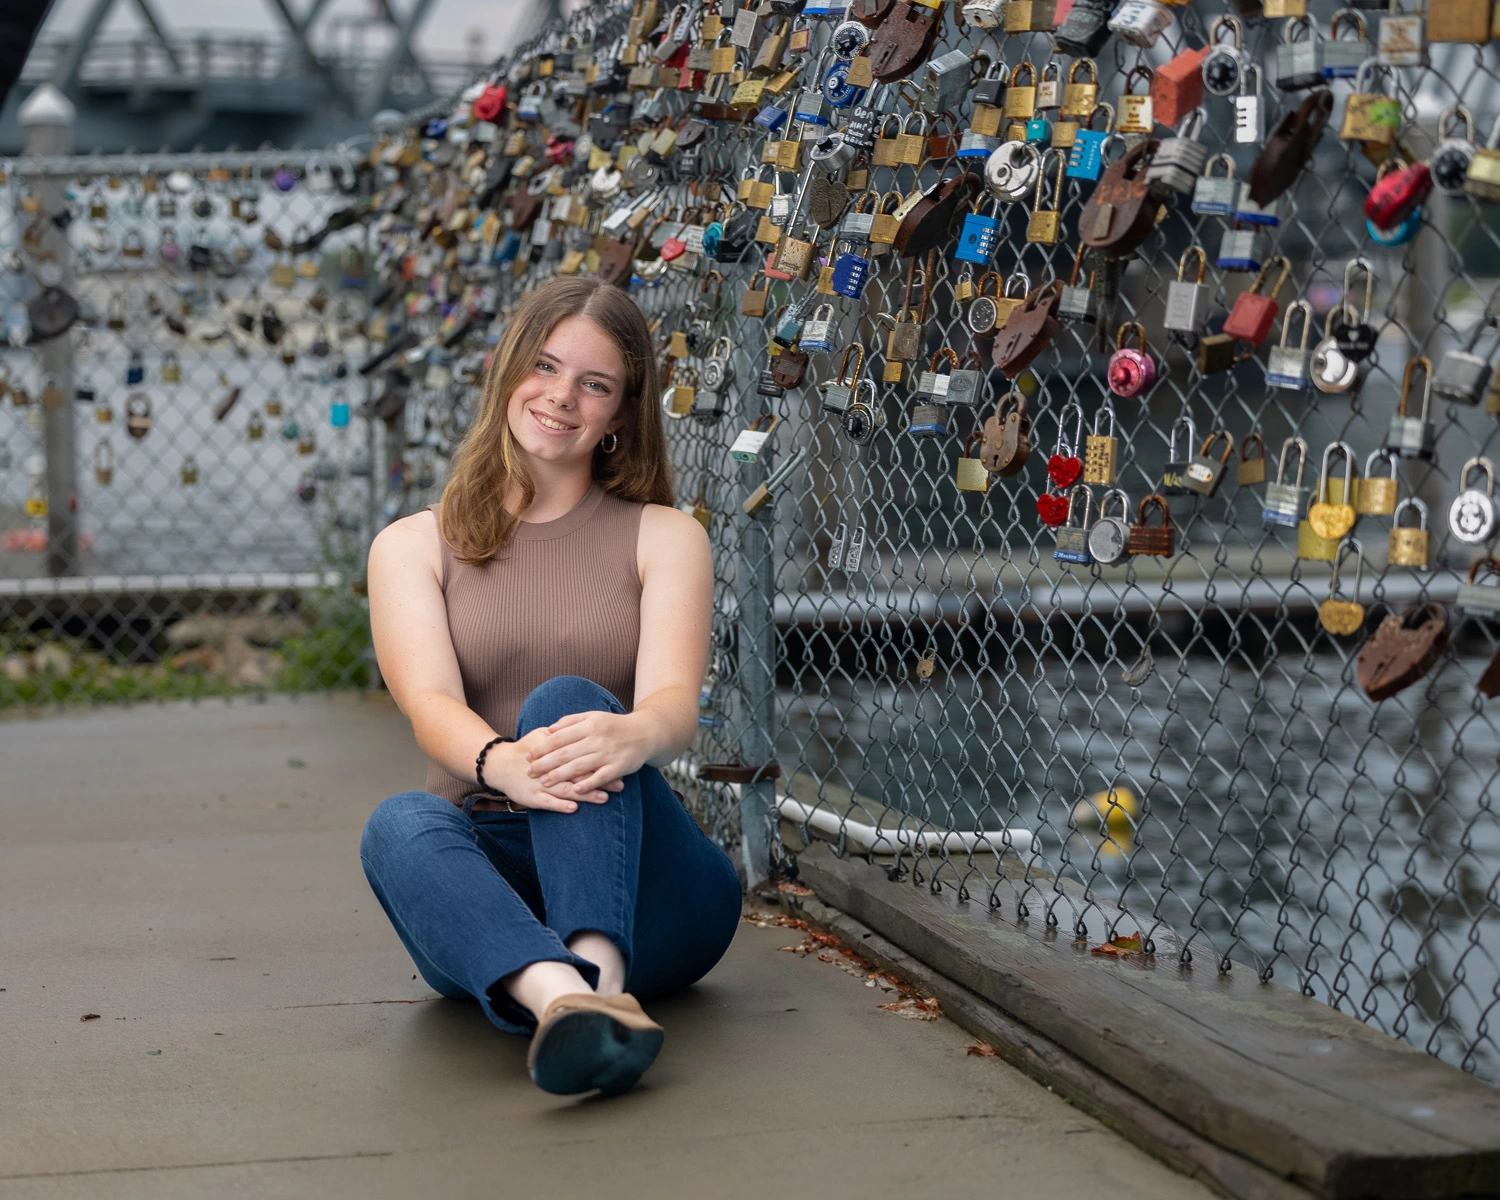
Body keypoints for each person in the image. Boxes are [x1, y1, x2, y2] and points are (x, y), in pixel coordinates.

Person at [362, 276, 742, 1099]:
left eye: (594, 384)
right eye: (546, 366)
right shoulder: (412, 546)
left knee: (567, 700)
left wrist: (633, 735)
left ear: (619, 414)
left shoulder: (665, 538)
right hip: (490, 894)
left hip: (649, 886)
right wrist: (502, 766)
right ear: (506, 371)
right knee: (397, 824)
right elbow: (428, 704)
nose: (562, 397)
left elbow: (674, 705)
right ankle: (559, 999)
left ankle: (601, 983)